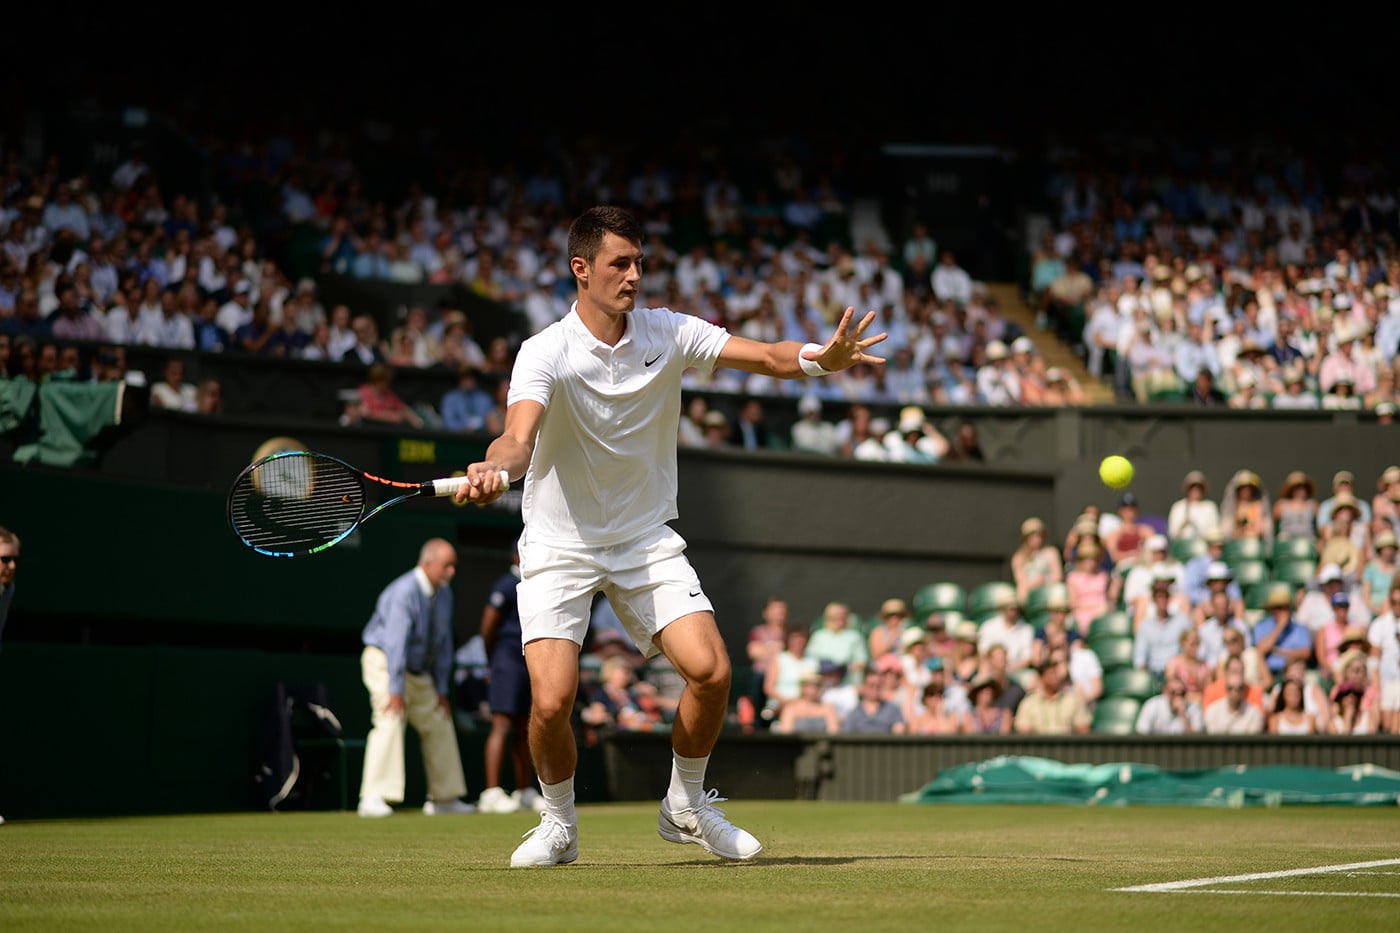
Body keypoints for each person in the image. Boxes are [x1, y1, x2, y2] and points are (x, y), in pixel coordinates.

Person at [451, 206, 886, 867]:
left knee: (712, 671)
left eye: (639, 262)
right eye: (620, 263)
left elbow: (766, 355)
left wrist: (822, 360)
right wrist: (496, 468)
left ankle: (685, 803)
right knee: (551, 700)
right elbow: (517, 437)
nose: (634, 274)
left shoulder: (669, 330)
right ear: (582, 269)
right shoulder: (544, 351)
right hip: (559, 545)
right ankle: (558, 822)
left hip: (643, 538)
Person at [357, 539, 476, 818]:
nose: (451, 572)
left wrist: (442, 691)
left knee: (439, 719)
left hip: (418, 670)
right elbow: (396, 644)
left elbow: (444, 644)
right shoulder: (404, 592)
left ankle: (444, 798)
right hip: (385, 661)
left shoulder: (444, 594)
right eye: (446, 566)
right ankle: (372, 797)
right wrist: (395, 690)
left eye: (453, 566)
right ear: (427, 563)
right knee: (390, 716)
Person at [476, 540, 544, 815]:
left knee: (524, 728)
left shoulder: (534, 586)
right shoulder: (506, 585)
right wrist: (496, 662)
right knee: (501, 725)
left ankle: (524, 790)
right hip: (506, 661)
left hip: (528, 662)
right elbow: (487, 628)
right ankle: (491, 793)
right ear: (517, 556)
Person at [1013, 657, 1090, 734]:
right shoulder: (1029, 703)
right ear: (1041, 678)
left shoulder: (1073, 700)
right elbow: (1023, 731)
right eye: (1051, 673)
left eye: (1056, 673)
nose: (1055, 677)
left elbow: (1083, 729)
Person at [1010, 517, 1062, 605]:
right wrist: (1034, 583)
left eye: (1039, 535)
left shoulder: (1051, 552)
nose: (1037, 539)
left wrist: (1044, 581)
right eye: (1032, 535)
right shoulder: (1018, 557)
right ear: (1025, 538)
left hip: (1049, 593)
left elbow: (1058, 577)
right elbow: (1021, 581)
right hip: (1028, 595)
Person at [772, 670, 843, 734]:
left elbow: (834, 732)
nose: (814, 690)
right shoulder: (791, 708)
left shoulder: (828, 708)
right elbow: (786, 732)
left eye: (818, 685)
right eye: (810, 685)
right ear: (802, 687)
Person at [842, 669, 906, 734]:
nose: (875, 689)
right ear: (864, 687)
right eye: (871, 685)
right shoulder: (854, 713)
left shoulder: (893, 709)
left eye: (878, 685)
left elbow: (899, 732)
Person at [1134, 675, 1203, 735]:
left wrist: (1183, 715)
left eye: (1182, 693)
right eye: (1173, 692)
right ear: (1165, 692)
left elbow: (1197, 739)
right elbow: (1141, 732)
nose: (1177, 696)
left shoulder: (1194, 708)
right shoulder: (1152, 705)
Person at [1167, 470, 1221, 540]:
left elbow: (1215, 531)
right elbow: (1172, 533)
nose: (1195, 491)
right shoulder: (1178, 507)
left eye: (1199, 488)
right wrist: (1182, 526)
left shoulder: (1210, 507)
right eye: (1192, 488)